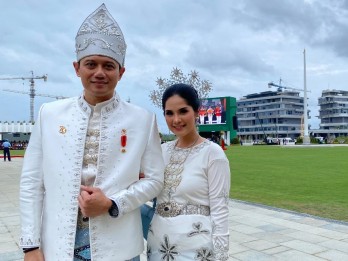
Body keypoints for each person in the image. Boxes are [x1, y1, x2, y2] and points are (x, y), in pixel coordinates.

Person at [19, 4, 164, 261]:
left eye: (109, 66)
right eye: (91, 64)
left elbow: (154, 180)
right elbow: (32, 183)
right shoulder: (49, 115)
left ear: (121, 72)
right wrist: (31, 245)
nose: (99, 72)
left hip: (118, 246)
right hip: (58, 245)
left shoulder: (143, 120)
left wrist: (112, 203)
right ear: (77, 68)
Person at [147, 83, 230, 260]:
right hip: (158, 243)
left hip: (197, 248)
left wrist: (221, 253)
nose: (176, 119)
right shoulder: (161, 151)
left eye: (183, 111)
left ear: (197, 112)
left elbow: (220, 209)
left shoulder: (212, 153)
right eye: (169, 113)